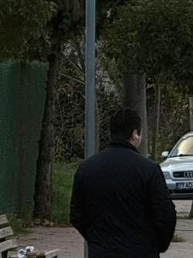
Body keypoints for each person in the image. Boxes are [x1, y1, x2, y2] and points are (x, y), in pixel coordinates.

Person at [70, 108, 177, 258]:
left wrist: (95, 239)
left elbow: (77, 214)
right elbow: (165, 214)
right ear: (134, 134)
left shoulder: (86, 169)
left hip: (102, 250)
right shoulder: (149, 170)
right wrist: (156, 244)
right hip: (141, 250)